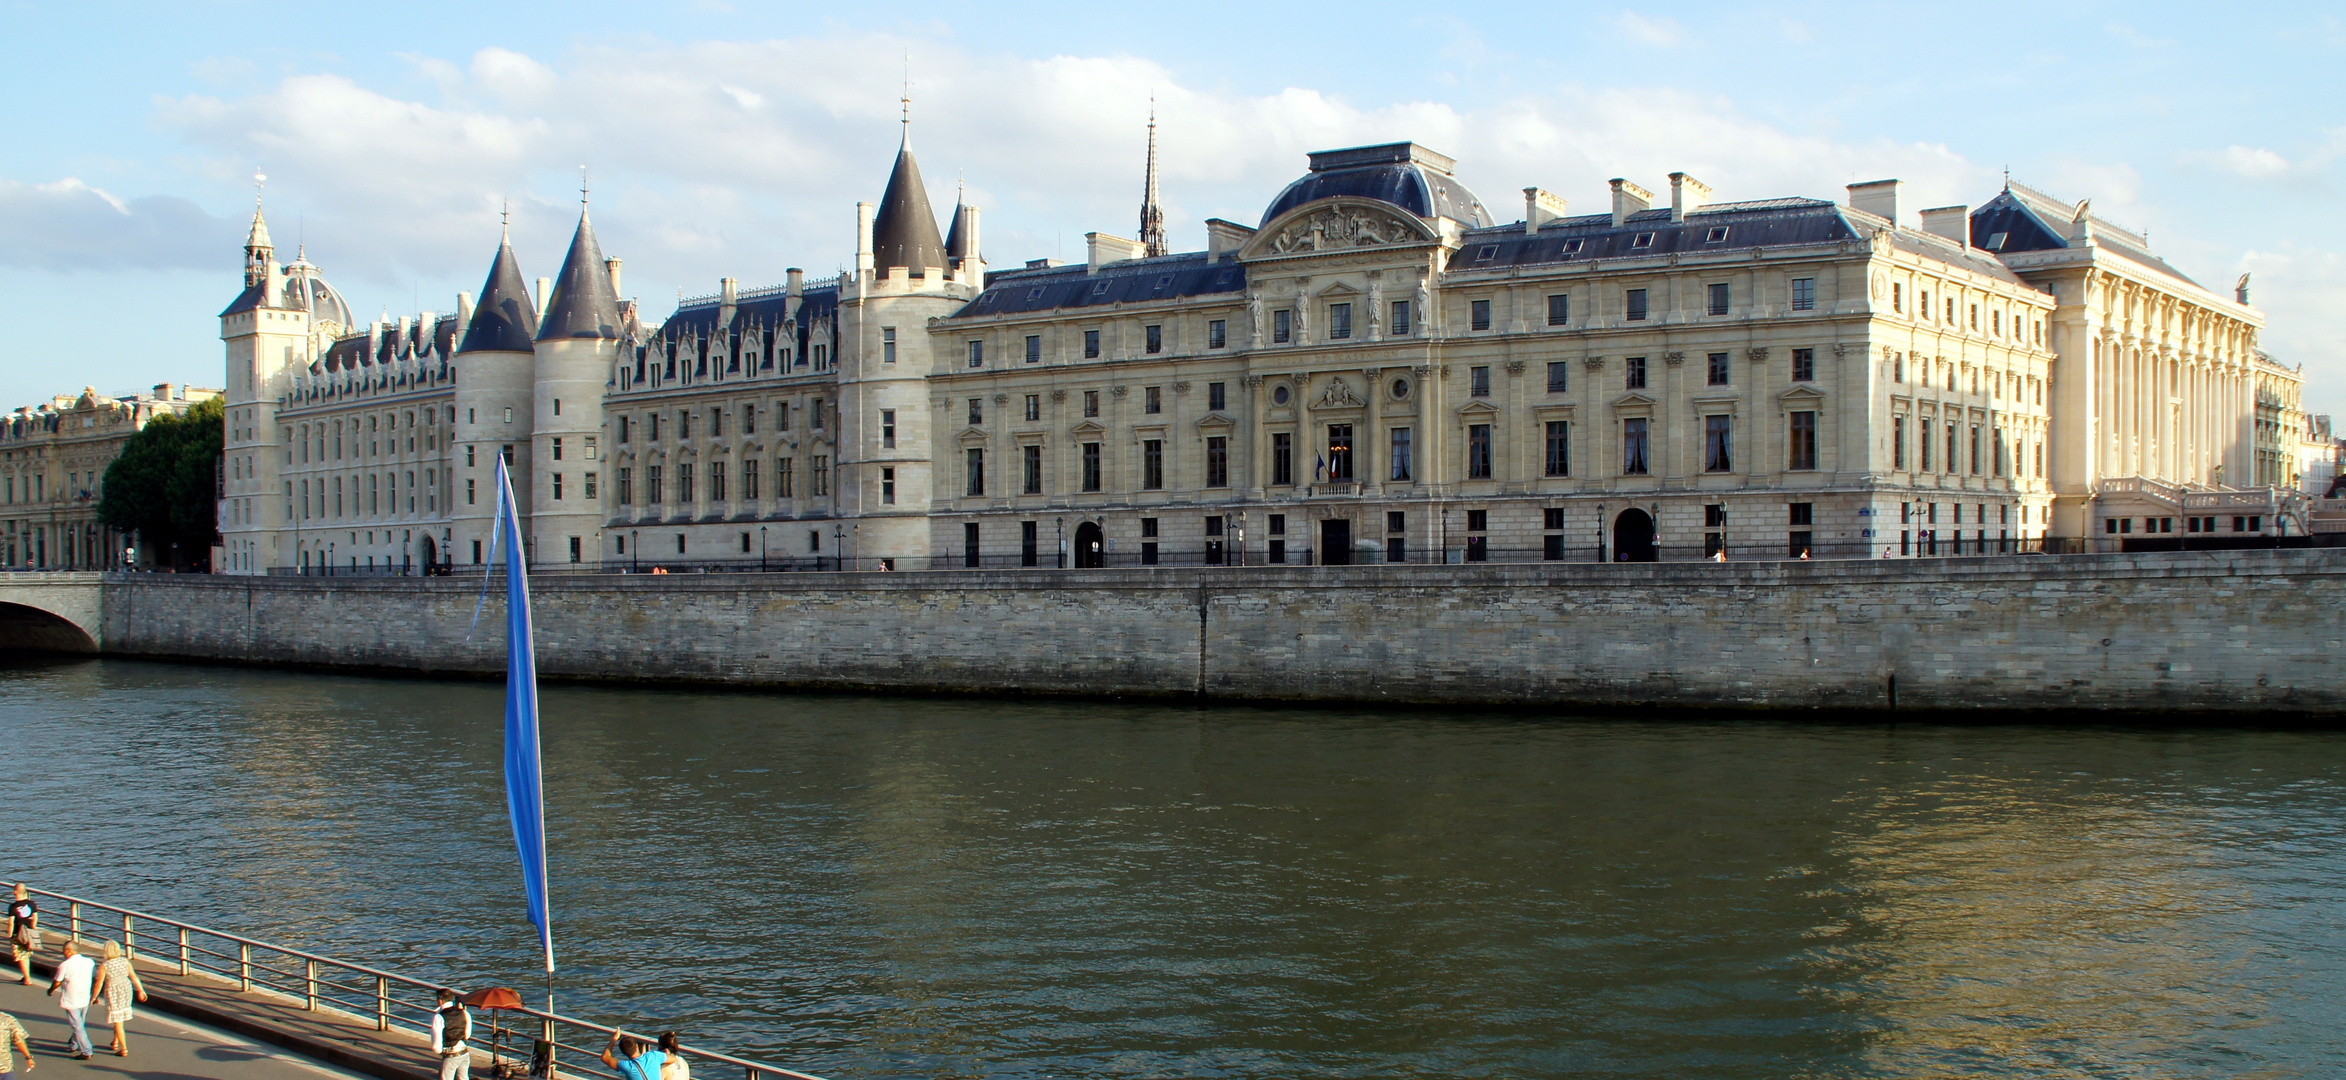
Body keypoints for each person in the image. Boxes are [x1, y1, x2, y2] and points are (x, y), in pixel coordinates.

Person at [87, 941, 144, 1057]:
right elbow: (133, 976)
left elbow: (99, 983)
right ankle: (115, 1042)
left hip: (113, 991)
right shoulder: (125, 961)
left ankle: (124, 1049)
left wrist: (93, 997)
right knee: (119, 1017)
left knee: (117, 1020)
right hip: (126, 989)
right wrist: (141, 990)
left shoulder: (105, 966)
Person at [44, 941, 92, 1059]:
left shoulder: (65, 965)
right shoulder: (89, 962)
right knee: (80, 1021)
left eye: (64, 951)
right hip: (85, 995)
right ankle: (73, 1043)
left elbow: (58, 981)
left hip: (72, 998)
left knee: (77, 1025)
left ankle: (86, 1051)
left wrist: (51, 990)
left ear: (69, 951)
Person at [430, 989, 470, 1080]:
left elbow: (437, 1041)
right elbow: (467, 1034)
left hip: (451, 1054)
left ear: (440, 1000)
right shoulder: (464, 1013)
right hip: (464, 1052)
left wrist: (439, 1051)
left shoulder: (439, 1017)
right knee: (464, 1077)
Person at [600, 1031, 665, 1080]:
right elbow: (673, 1058)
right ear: (636, 1046)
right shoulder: (653, 1056)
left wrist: (614, 1038)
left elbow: (605, 1057)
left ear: (623, 1052)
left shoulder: (626, 1066)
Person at [7, 887, 35, 986]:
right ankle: (26, 975)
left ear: (15, 892)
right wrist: (33, 929)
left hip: (18, 934)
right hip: (29, 933)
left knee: (20, 956)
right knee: (27, 955)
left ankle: (27, 979)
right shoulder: (32, 904)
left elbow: (11, 923)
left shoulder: (13, 907)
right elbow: (35, 919)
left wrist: (10, 935)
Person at [0, 1007, 33, 1075]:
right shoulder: (7, 1019)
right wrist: (28, 1057)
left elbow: (18, 1039)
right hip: (5, 1067)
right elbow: (18, 1039)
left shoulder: (8, 1019)